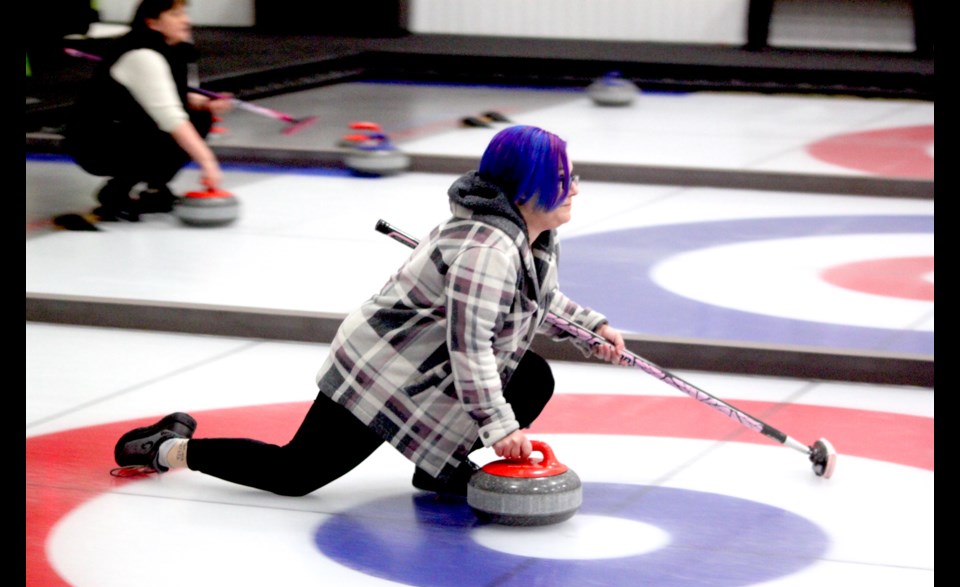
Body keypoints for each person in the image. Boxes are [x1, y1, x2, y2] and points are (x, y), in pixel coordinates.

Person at [112, 124, 627, 496]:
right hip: (384, 369)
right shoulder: (487, 251)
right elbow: (471, 349)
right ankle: (167, 449)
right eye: (563, 176)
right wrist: (499, 428)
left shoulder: (532, 237)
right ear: (524, 187)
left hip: (425, 362)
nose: (575, 186)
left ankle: (439, 467)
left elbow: (533, 297)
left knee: (530, 375)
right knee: (296, 473)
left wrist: (591, 327)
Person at [64, 0, 231, 221]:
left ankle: (155, 188)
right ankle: (117, 192)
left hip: (124, 127)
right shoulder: (142, 55)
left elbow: (173, 95)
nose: (185, 21)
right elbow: (171, 117)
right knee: (173, 128)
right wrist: (208, 162)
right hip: (95, 140)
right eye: (175, 14)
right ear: (152, 22)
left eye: (184, 13)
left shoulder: (174, 50)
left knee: (200, 117)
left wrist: (205, 104)